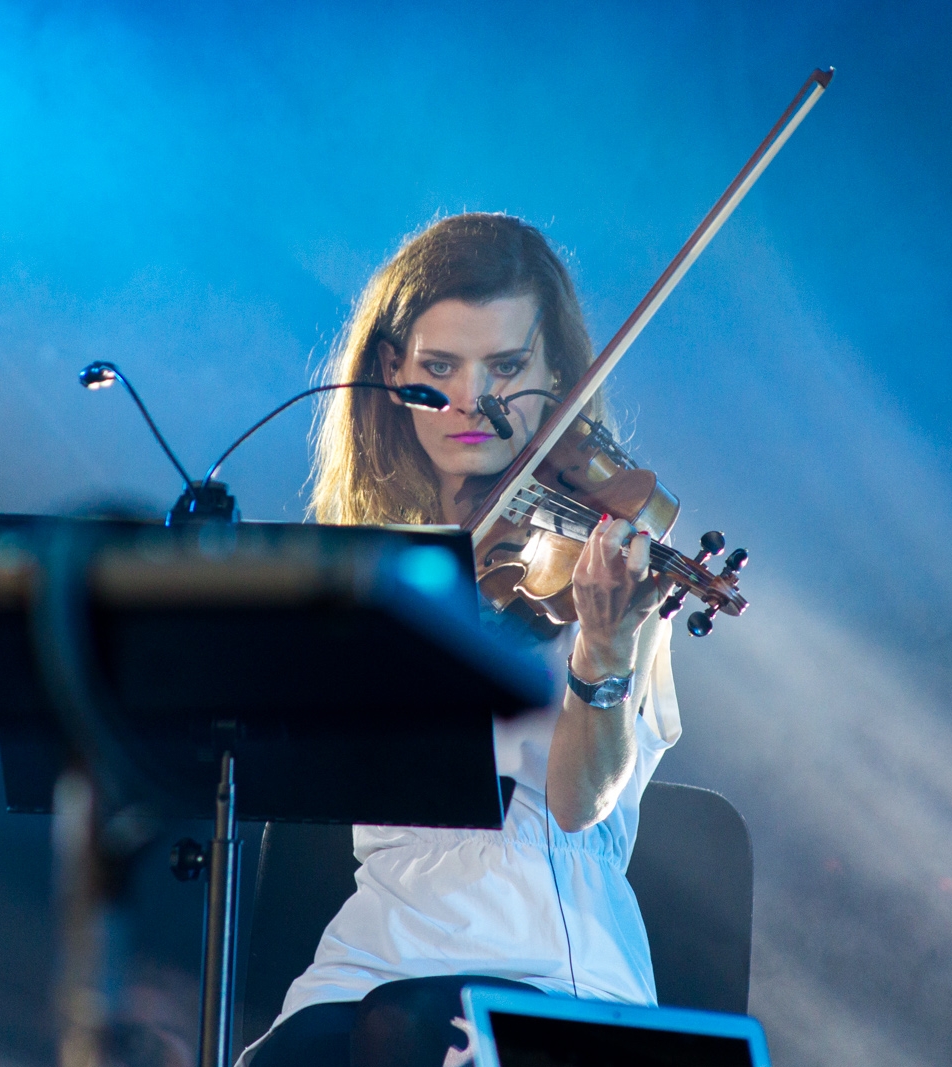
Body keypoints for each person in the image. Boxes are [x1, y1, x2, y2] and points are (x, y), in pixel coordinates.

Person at [241, 213, 680, 1067]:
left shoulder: (607, 560)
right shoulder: (364, 565)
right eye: (439, 369)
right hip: (370, 954)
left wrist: (605, 649)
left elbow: (579, 801)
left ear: (559, 375)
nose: (472, 402)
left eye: (507, 367)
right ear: (392, 377)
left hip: (552, 958)